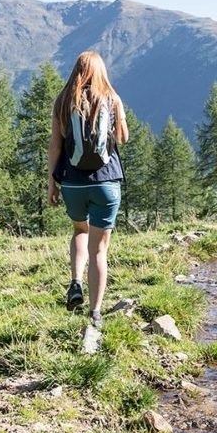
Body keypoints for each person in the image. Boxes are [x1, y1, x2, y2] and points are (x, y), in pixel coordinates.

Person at [48, 51, 129, 330]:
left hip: (72, 182)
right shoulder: (111, 98)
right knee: (99, 250)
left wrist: (51, 183)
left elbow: (56, 147)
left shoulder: (62, 101)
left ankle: (75, 282)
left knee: (79, 231)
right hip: (106, 182)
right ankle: (95, 313)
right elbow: (123, 137)